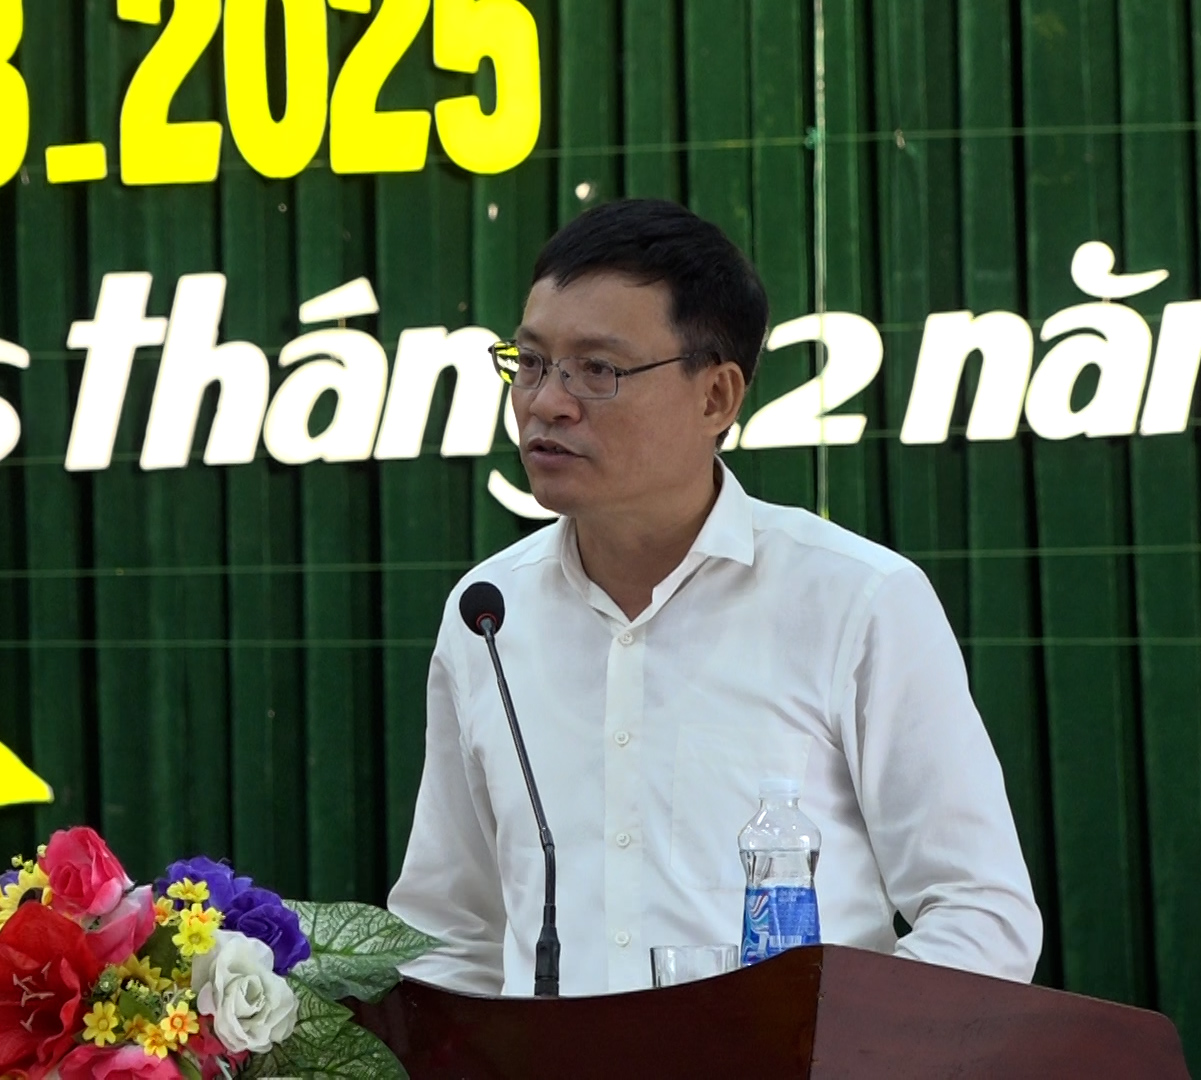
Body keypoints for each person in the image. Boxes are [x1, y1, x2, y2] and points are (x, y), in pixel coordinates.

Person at [386, 199, 1041, 996]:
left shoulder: (856, 600)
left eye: (597, 370)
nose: (547, 402)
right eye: (530, 362)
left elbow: (980, 914)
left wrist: (830, 1047)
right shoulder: (489, 615)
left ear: (716, 397)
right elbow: (451, 934)